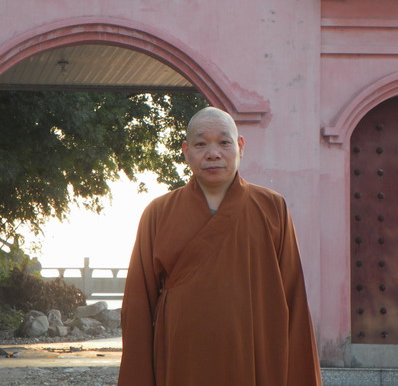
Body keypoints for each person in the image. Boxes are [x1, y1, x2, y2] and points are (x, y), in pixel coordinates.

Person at [118, 107, 322, 386]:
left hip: (255, 358)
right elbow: (138, 304)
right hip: (182, 362)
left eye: (224, 142)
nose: (213, 153)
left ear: (240, 146)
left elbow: (294, 298)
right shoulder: (158, 213)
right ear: (186, 150)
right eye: (201, 144)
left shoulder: (272, 207)